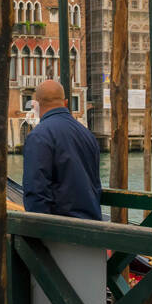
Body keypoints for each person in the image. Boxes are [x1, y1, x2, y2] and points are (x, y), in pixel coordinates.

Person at [22, 79, 102, 220]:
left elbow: (36, 191)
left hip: (63, 230)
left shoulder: (38, 136)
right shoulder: (87, 134)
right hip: (92, 225)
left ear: (37, 105)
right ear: (65, 103)